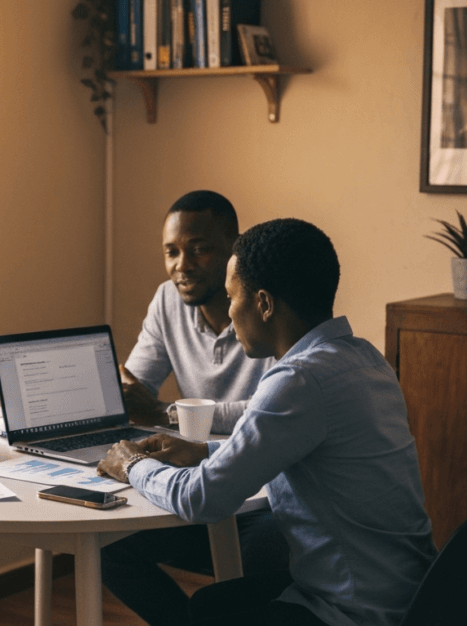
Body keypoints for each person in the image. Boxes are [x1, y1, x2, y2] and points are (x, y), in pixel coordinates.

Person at [99, 218, 437, 626]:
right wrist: (205, 449)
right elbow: (304, 446)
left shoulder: (298, 379)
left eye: (231, 298)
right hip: (407, 594)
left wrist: (132, 465)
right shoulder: (363, 358)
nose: (229, 311)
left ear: (263, 303)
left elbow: (203, 499)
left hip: (350, 611)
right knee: (210, 604)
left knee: (209, 607)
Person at [100, 191, 287, 626]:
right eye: (171, 252)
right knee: (108, 546)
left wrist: (168, 413)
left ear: (233, 248)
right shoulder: (168, 300)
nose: (182, 265)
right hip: (197, 473)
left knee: (268, 554)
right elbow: (136, 389)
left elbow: (273, 411)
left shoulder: (269, 308)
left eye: (199, 249)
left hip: (260, 498)